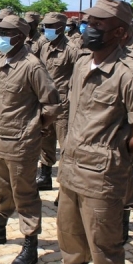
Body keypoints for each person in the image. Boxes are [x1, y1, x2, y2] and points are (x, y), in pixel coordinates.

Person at [33, 0, 133, 264]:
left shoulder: (130, 74)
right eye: (89, 23)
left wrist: (112, 150)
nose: (90, 29)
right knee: (68, 234)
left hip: (103, 177)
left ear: (120, 33)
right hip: (72, 169)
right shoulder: (82, 63)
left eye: (100, 25)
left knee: (105, 245)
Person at [0, 15, 60, 264]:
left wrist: (37, 126)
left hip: (22, 142)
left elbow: (52, 104)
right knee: (1, 188)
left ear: (20, 36)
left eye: (5, 33)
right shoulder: (1, 59)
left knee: (25, 194)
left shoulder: (32, 66)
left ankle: (30, 243)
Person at [35, 12, 81, 197]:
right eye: (45, 26)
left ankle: (66, 188)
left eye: (50, 27)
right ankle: (45, 176)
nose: (47, 30)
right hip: (45, 103)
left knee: (65, 146)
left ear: (61, 28)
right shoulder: (45, 47)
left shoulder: (72, 49)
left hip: (63, 105)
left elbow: (78, 78)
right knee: (45, 139)